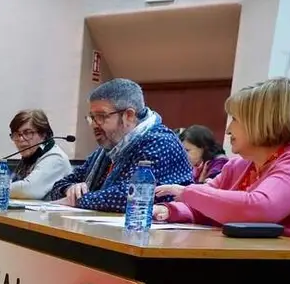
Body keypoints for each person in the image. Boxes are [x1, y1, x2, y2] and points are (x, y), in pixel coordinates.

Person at [154, 77, 290, 284]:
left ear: (264, 120)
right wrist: (168, 211)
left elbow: (259, 208)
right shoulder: (240, 165)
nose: (227, 130)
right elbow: (206, 205)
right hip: (246, 277)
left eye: (235, 119)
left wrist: (187, 193)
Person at [46, 79, 193, 211]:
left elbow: (130, 195)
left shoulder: (160, 142)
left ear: (128, 115)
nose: (94, 125)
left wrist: (79, 200)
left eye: (101, 117)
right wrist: (71, 189)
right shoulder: (107, 150)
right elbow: (60, 185)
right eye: (92, 117)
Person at [1, 110, 73, 199]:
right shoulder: (30, 157)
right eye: (16, 134)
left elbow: (28, 190)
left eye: (27, 133)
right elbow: (14, 183)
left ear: (43, 134)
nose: (20, 139)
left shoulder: (56, 158)